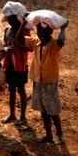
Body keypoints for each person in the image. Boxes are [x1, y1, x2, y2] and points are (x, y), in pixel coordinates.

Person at [16, 13, 69, 144]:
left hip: (50, 83)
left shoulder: (54, 45)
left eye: (44, 32)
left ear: (51, 32)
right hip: (38, 82)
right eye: (39, 32)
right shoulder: (36, 42)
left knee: (53, 111)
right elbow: (17, 40)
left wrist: (63, 29)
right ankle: (49, 135)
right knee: (43, 111)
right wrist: (23, 23)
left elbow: (61, 41)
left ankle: (60, 135)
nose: (42, 35)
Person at [1, 14, 31, 126]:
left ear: (19, 19)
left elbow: (29, 47)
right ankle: (12, 113)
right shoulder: (7, 30)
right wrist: (5, 49)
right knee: (11, 89)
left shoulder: (24, 31)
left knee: (21, 89)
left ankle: (23, 116)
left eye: (14, 18)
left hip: (20, 65)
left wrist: (17, 44)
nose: (11, 21)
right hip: (9, 65)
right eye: (9, 18)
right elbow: (4, 45)